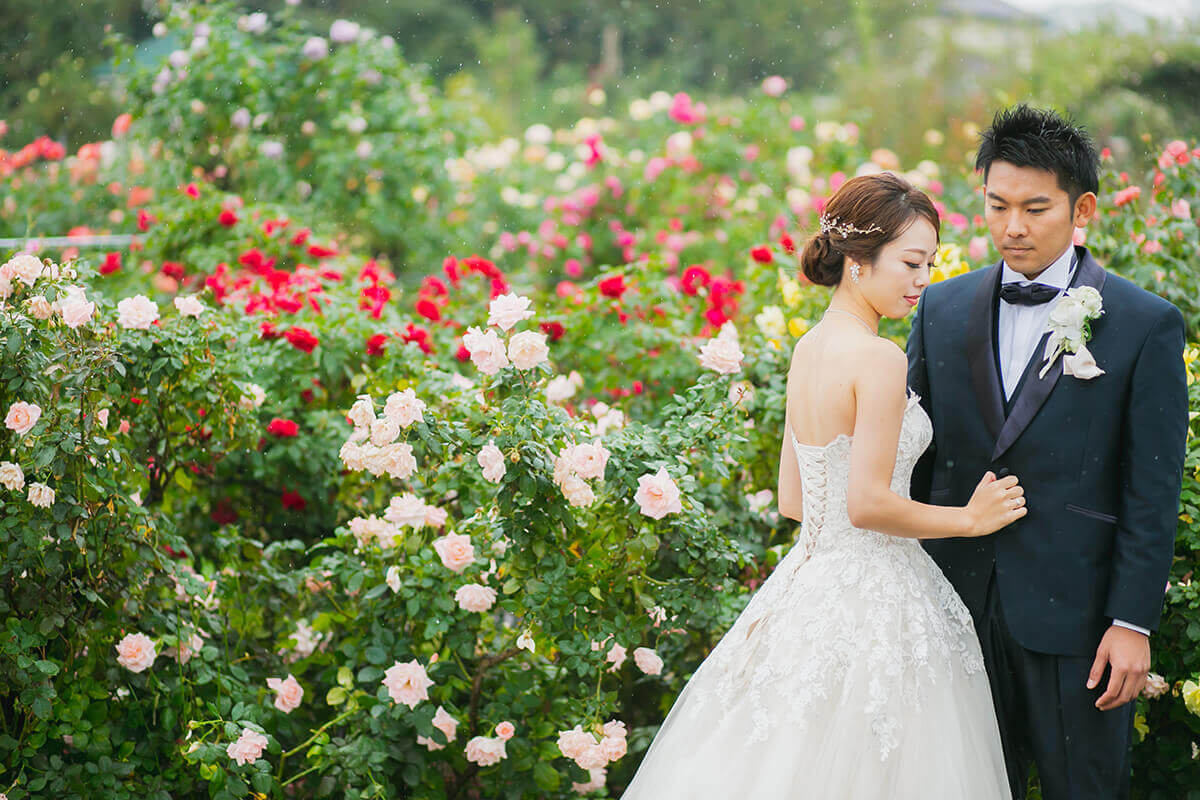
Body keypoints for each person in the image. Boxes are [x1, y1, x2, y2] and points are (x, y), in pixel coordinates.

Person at [621, 173, 1022, 798]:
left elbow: (794, 498)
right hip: (877, 592)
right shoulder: (880, 358)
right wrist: (969, 519)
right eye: (912, 263)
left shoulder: (807, 350)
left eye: (931, 264)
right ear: (859, 263)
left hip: (810, 584)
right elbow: (866, 505)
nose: (924, 281)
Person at [907, 104, 1188, 799]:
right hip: (953, 610)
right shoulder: (939, 310)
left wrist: (1131, 622)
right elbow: (911, 458)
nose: (1012, 227)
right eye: (997, 205)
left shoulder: (1144, 324)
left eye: (1035, 208)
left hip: (1081, 621)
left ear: (1081, 207)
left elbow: (1151, 490)